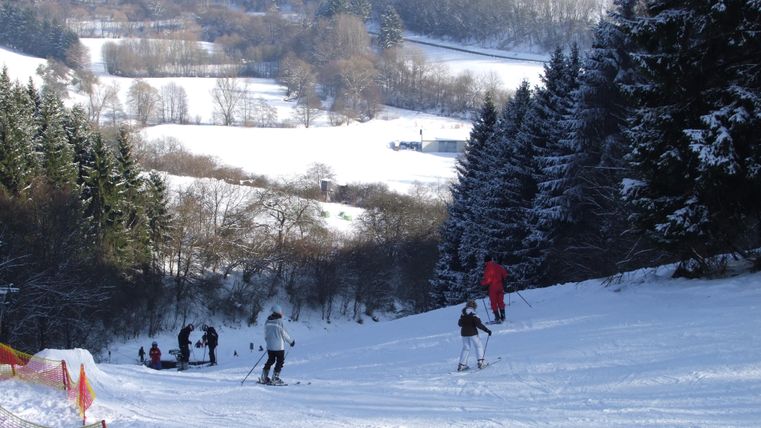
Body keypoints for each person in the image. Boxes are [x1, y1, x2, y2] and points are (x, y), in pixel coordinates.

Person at [259, 304, 295, 385]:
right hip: (279, 347)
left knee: (271, 360)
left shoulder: (267, 321)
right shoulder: (280, 322)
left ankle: (264, 377)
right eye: (281, 312)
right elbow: (284, 334)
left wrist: (268, 342)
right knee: (280, 361)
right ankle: (275, 378)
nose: (282, 313)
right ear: (278, 312)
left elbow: (265, 334)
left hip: (270, 346)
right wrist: (291, 342)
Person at [457, 300, 491, 371]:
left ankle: (462, 365)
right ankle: (480, 362)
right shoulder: (474, 313)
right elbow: (478, 324)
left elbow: (459, 324)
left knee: (466, 348)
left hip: (464, 333)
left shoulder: (463, 313)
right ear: (474, 306)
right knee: (478, 346)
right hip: (473, 333)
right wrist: (487, 330)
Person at [480, 255, 508, 323]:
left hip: (493, 287)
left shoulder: (487, 268)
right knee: (501, 302)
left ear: (485, 261)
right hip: (500, 286)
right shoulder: (498, 266)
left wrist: (481, 283)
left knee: (494, 303)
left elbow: (488, 280)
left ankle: (497, 318)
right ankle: (503, 317)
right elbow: (505, 274)